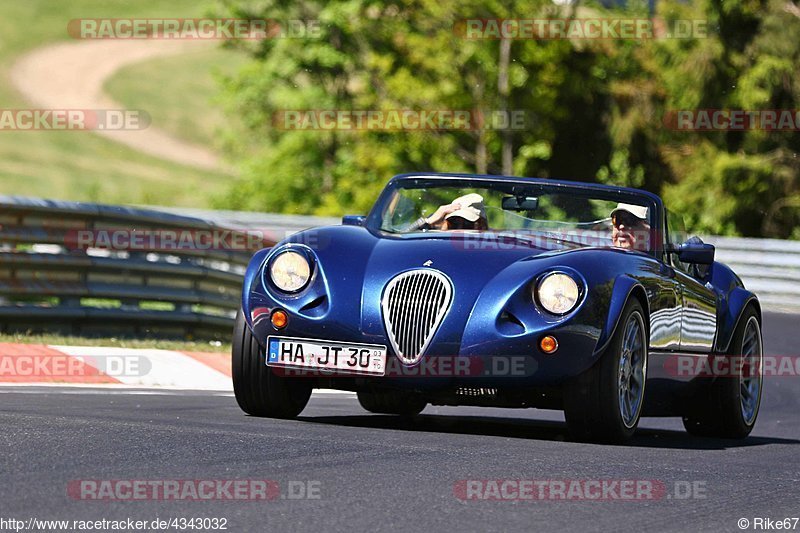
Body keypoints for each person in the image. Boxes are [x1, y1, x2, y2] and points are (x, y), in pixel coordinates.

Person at [406, 193, 488, 231]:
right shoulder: (437, 239)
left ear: (480, 224)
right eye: (453, 222)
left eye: (466, 223)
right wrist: (429, 221)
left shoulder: (489, 243)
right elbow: (401, 238)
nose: (459, 229)